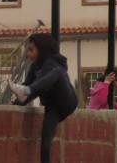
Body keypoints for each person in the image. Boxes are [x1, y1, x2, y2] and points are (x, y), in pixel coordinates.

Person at [8, 33, 79, 163]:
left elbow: (31, 89)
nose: (28, 54)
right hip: (53, 107)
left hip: (67, 100)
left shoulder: (54, 62)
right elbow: (29, 88)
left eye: (31, 50)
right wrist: (15, 103)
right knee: (45, 143)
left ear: (42, 49)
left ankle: (27, 91)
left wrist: (27, 90)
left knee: (57, 73)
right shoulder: (35, 67)